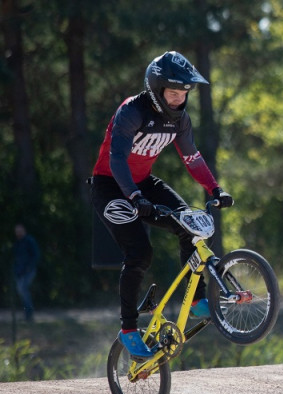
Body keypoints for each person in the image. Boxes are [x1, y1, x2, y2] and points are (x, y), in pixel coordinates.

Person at [90, 51, 234, 359]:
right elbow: (116, 160)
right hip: (111, 187)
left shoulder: (180, 120)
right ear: (156, 90)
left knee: (190, 225)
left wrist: (215, 188)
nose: (178, 100)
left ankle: (195, 300)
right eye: (172, 93)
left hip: (142, 184)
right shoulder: (132, 111)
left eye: (183, 94)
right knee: (140, 252)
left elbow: (191, 157)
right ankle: (128, 329)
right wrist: (134, 197)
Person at [13, 223, 39, 322]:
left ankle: (29, 314)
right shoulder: (17, 243)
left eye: (19, 231)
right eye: (16, 231)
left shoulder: (29, 241)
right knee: (21, 291)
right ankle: (27, 313)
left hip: (29, 271)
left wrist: (29, 268)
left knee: (23, 289)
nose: (18, 233)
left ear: (24, 231)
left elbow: (36, 255)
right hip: (19, 272)